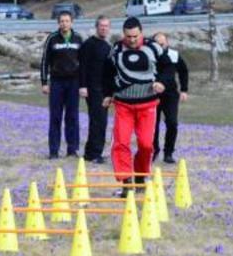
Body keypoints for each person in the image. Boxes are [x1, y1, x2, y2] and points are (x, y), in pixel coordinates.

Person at [102, 17, 168, 196]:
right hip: (123, 105)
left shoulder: (153, 48)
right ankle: (126, 182)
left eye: (135, 36)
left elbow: (167, 68)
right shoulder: (116, 49)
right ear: (123, 33)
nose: (132, 40)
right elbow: (107, 73)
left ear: (141, 32)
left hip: (147, 105)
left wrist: (161, 82)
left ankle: (140, 176)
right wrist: (107, 94)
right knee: (121, 142)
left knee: (146, 145)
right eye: (128, 36)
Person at [40, 11, 86, 159]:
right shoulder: (52, 38)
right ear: (58, 23)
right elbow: (44, 61)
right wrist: (44, 82)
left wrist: (83, 85)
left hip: (74, 82)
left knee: (72, 116)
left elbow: (84, 64)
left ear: (71, 22)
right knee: (55, 116)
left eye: (67, 21)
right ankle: (54, 151)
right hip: (57, 82)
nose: (64, 24)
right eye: (62, 21)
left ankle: (72, 150)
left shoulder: (78, 38)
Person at [79, 15, 113, 163]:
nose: (104, 28)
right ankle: (92, 154)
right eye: (101, 26)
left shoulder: (107, 46)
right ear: (97, 27)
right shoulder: (88, 44)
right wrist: (82, 86)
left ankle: (93, 152)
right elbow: (82, 67)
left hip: (104, 90)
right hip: (92, 89)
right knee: (97, 121)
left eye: (106, 26)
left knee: (102, 121)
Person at [151, 33, 189, 164]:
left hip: (170, 94)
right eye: (158, 44)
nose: (161, 46)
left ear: (167, 42)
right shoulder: (149, 55)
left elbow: (183, 71)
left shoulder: (174, 55)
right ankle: (153, 150)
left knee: (172, 122)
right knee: (152, 125)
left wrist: (184, 90)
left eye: (163, 43)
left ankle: (168, 152)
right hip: (152, 94)